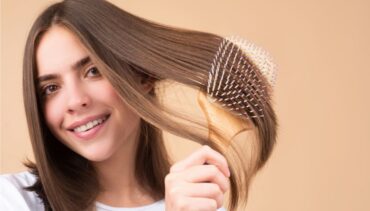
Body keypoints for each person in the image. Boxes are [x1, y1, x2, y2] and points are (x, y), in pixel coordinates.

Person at [0, 0, 277, 210]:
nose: (75, 101)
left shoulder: (194, 202)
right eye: (51, 88)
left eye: (93, 70)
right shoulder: (13, 200)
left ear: (141, 76)